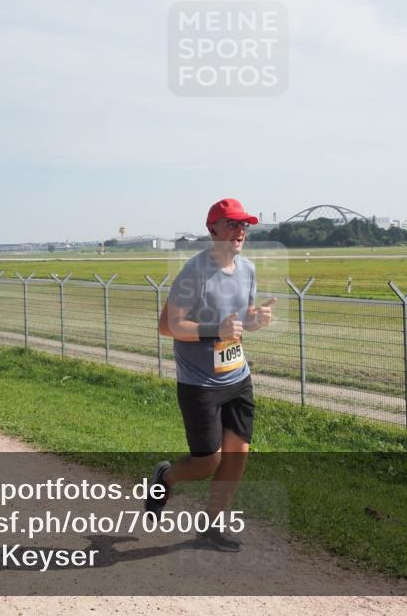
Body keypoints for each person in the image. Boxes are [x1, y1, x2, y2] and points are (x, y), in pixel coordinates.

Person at [147, 198, 276, 551]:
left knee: (238, 453)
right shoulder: (195, 272)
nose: (240, 231)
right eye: (232, 224)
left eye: (244, 225)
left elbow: (239, 320)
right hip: (199, 383)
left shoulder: (247, 269)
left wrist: (255, 320)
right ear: (213, 229)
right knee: (208, 461)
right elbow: (167, 325)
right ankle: (165, 477)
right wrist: (213, 330)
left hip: (236, 376)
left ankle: (212, 526)